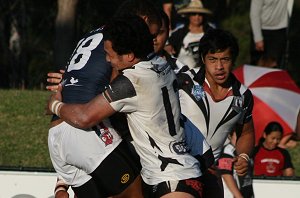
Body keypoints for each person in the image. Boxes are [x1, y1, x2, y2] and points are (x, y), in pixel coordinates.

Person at [48, 15, 204, 198]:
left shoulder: (131, 83)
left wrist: (56, 105)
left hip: (172, 180)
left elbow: (84, 117)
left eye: (110, 54)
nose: (107, 60)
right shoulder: (161, 64)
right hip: (172, 175)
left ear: (129, 55)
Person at [47, 1, 163, 197]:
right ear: (141, 21)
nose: (152, 42)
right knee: (136, 194)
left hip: (57, 133)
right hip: (86, 131)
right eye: (151, 35)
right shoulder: (121, 42)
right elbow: (116, 86)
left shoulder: (92, 33)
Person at [176, 28, 255, 197]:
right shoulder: (183, 81)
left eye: (225, 59)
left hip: (211, 173)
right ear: (203, 59)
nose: (219, 67)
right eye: (213, 59)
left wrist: (243, 156)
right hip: (178, 168)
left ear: (233, 60)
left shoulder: (243, 96)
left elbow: (246, 132)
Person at [165, 0, 213, 69]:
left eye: (200, 14)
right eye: (194, 14)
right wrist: (168, 47)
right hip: (183, 72)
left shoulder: (210, 32)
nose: (197, 17)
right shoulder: (179, 32)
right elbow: (168, 45)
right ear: (188, 15)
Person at [249, 0, 291, 68]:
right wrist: (258, 38)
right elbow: (254, 14)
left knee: (275, 66)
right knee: (257, 66)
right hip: (261, 30)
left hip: (279, 30)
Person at [218, 132, 254, 198]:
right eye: (238, 136)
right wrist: (238, 196)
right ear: (230, 136)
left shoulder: (246, 152)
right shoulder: (227, 152)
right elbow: (226, 175)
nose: (241, 139)